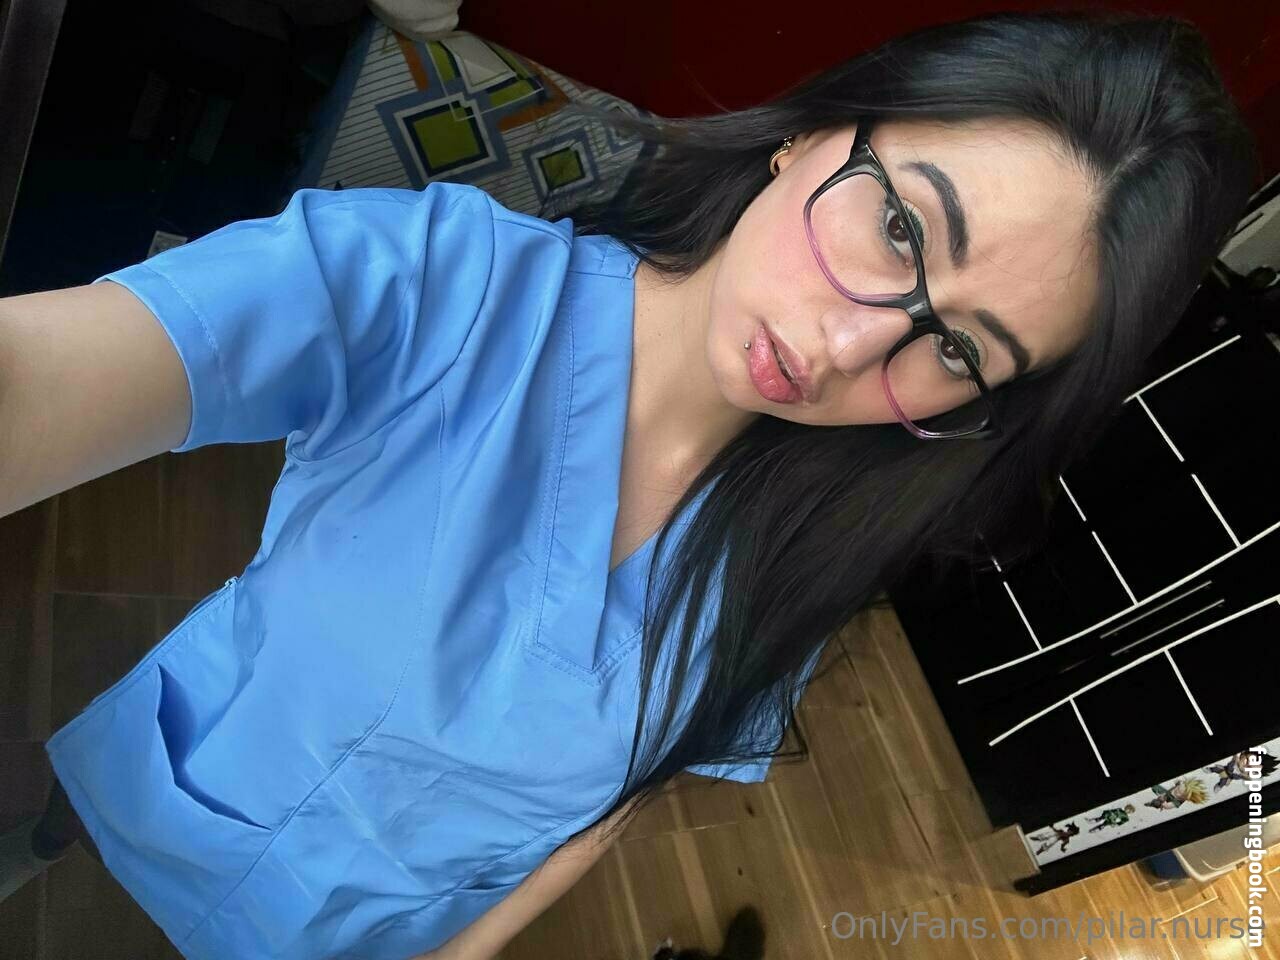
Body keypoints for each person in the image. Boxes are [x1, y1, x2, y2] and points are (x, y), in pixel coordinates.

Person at [0, 8, 1257, 959]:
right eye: (897, 229)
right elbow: (42, 381)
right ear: (817, 133)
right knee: (62, 843)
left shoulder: (805, 558)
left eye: (957, 350)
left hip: (368, 932)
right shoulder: (442, 286)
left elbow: (611, 803)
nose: (845, 346)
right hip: (174, 776)